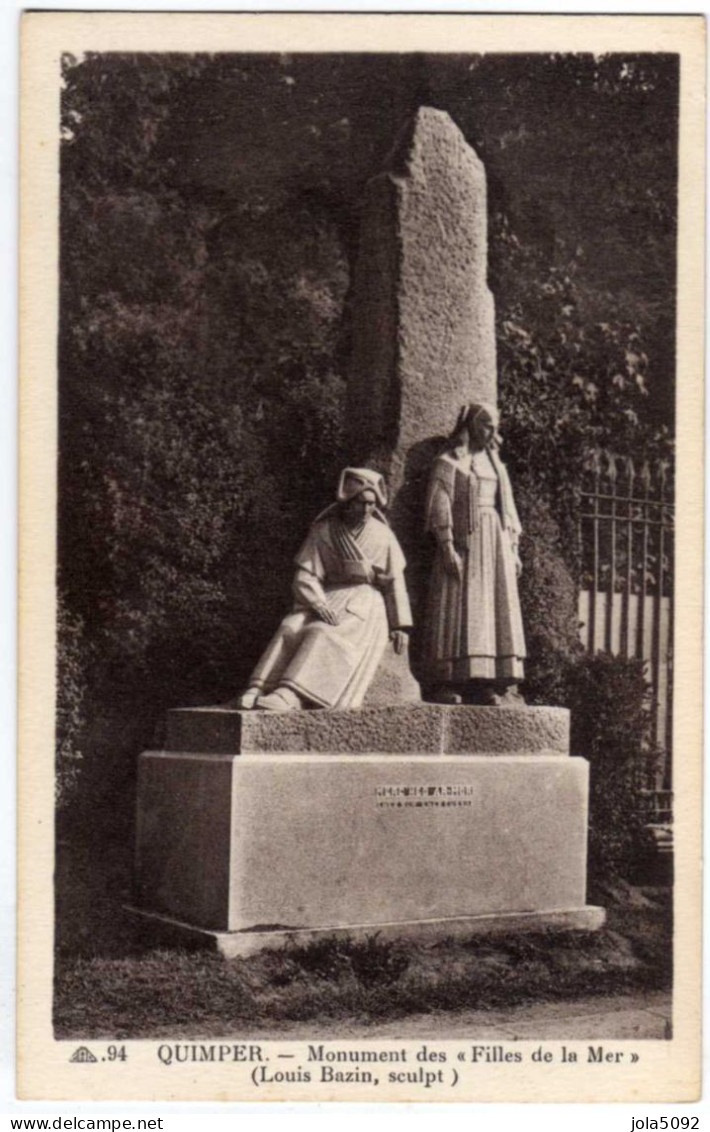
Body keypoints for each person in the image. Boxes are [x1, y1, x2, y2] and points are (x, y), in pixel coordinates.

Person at [238, 468, 412, 712]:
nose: (366, 510)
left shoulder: (383, 536)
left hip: (364, 602)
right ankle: (259, 687)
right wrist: (318, 602)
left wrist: (399, 625)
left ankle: (292, 692)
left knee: (321, 632)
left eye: (371, 504)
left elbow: (395, 582)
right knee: (291, 626)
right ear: (348, 503)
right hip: (327, 595)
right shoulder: (324, 530)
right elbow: (305, 574)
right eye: (361, 503)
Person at [422, 402, 526, 705]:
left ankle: (486, 682)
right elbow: (439, 504)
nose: (492, 432)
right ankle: (446, 680)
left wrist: (514, 549)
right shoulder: (449, 462)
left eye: (495, 426)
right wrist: (447, 546)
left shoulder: (496, 466)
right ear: (470, 425)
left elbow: (508, 510)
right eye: (486, 425)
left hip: (494, 543)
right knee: (456, 606)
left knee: (490, 609)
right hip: (463, 542)